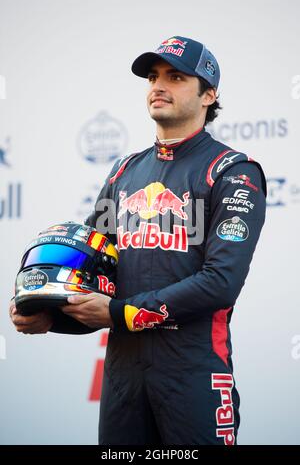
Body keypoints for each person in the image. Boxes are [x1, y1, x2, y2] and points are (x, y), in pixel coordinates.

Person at [10, 36, 266, 445]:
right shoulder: (123, 171)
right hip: (123, 382)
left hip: (194, 374)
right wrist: (49, 315)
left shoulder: (233, 171)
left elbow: (221, 283)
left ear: (209, 94)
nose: (158, 86)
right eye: (152, 77)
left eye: (176, 77)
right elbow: (93, 275)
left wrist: (119, 313)